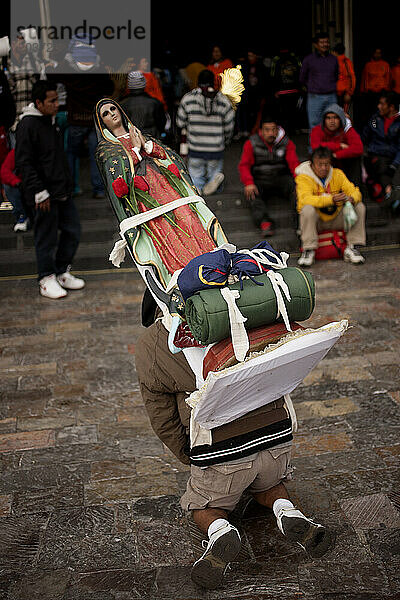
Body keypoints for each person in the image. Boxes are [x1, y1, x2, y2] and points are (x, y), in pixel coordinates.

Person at [134, 315, 335, 591]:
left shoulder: (152, 343)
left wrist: (190, 455)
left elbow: (162, 417)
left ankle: (220, 531)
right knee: (270, 484)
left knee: (204, 506)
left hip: (222, 453)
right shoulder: (240, 309)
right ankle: (287, 511)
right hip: (274, 436)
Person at [94, 99, 216, 274]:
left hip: (164, 185)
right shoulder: (106, 148)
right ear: (101, 122)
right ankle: (185, 270)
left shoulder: (139, 133)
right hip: (144, 195)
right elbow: (118, 176)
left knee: (187, 217)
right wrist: (136, 150)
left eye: (113, 108)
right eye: (105, 113)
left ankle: (209, 258)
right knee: (165, 229)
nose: (112, 113)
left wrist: (145, 144)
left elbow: (164, 154)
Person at [15, 80, 85, 298]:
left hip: (61, 190)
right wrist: (38, 191)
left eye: (57, 100)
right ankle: (46, 278)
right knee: (46, 238)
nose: (57, 104)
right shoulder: (27, 125)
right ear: (38, 102)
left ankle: (61, 271)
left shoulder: (50, 120)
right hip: (43, 194)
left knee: (73, 231)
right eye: (51, 101)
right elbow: (24, 163)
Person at [60, 34, 114, 199]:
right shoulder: (98, 69)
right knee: (96, 155)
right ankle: (98, 189)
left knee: (71, 154)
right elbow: (109, 87)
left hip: (76, 118)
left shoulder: (69, 69)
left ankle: (69, 187)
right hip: (94, 119)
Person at [295, 146, 366, 266]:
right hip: (317, 221)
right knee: (307, 209)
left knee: (359, 206)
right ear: (312, 165)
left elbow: (355, 191)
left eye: (326, 164)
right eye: (320, 164)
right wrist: (331, 199)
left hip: (336, 218)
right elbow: (304, 199)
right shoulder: (303, 177)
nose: (324, 168)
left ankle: (353, 247)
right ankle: (308, 249)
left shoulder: (337, 174)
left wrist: (351, 198)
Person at [238, 114, 300, 236]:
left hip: (281, 177)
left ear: (278, 130)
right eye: (267, 130)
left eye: (273, 129)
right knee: (252, 194)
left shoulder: (286, 142)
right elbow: (244, 165)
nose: (271, 133)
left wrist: (300, 182)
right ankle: (264, 223)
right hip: (260, 178)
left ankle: (300, 224)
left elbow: (294, 164)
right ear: (261, 131)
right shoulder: (251, 143)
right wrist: (249, 183)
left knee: (299, 190)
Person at [176, 69, 235, 196]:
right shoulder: (223, 101)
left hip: (195, 147)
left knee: (196, 176)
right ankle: (213, 186)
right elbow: (229, 126)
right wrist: (225, 141)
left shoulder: (188, 99)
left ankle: (198, 190)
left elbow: (180, 122)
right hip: (215, 148)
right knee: (214, 175)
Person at [362, 90, 400, 210]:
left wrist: (394, 164)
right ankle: (391, 194)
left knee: (392, 169)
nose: (379, 106)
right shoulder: (375, 119)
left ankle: (391, 195)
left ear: (392, 107)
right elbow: (364, 136)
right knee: (380, 164)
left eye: (382, 104)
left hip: (393, 157)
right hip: (376, 155)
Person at [310, 103, 363, 186]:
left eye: (335, 118)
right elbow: (316, 147)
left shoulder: (346, 129)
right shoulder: (317, 130)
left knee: (355, 159)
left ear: (341, 119)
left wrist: (336, 155)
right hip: (325, 164)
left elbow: (358, 148)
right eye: (328, 118)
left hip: (342, 161)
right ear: (324, 120)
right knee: (318, 156)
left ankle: (355, 190)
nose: (332, 121)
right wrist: (339, 146)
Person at [299, 33, 338, 132]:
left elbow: (336, 75)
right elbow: (302, 78)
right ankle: (315, 148)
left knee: (332, 124)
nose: (325, 44)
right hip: (315, 97)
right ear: (315, 45)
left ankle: (330, 147)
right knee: (315, 125)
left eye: (327, 42)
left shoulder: (333, 59)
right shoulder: (309, 59)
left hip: (331, 96)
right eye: (322, 42)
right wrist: (312, 86)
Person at [119, 71, 166, 139]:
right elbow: (161, 123)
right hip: (152, 139)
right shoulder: (154, 103)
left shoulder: (122, 104)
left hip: (132, 140)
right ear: (144, 83)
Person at [236, 49, 270, 138]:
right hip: (250, 94)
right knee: (250, 113)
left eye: (251, 56)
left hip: (259, 94)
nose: (250, 58)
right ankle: (251, 131)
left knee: (259, 114)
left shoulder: (261, 66)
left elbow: (264, 82)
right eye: (248, 56)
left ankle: (259, 131)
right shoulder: (247, 66)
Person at [270, 48, 302, 136]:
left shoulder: (276, 59)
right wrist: (300, 88)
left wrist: (275, 90)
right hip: (293, 90)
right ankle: (293, 129)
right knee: (292, 111)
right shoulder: (295, 58)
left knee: (283, 112)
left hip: (282, 91)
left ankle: (285, 131)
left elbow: (273, 75)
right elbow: (300, 73)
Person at [359, 48, 390, 129]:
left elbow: (388, 78)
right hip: (371, 92)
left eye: (379, 53)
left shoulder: (385, 64)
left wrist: (387, 91)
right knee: (370, 112)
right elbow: (365, 79)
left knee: (382, 111)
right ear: (373, 54)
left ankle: (381, 128)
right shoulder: (368, 65)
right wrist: (364, 90)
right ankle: (372, 128)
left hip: (382, 92)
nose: (377, 55)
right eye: (376, 53)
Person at [0, 148, 30, 231]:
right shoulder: (16, 152)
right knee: (8, 186)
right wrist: (17, 182)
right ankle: (21, 217)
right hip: (23, 186)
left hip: (38, 187)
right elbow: (4, 171)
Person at [332, 43, 356, 112]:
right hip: (335, 93)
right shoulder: (333, 62)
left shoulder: (346, 62)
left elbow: (352, 77)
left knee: (342, 116)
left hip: (343, 94)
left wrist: (349, 93)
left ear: (335, 52)